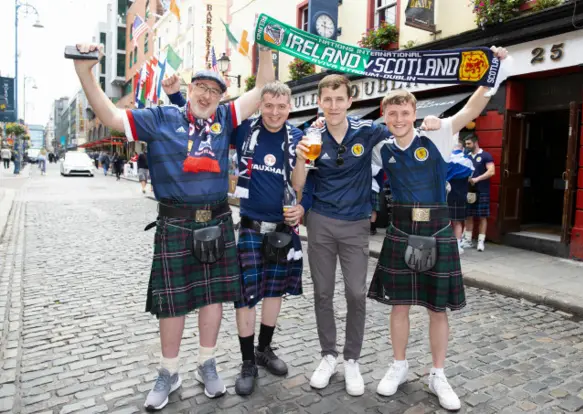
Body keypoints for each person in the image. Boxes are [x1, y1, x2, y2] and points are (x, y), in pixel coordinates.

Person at [70, 42, 275, 411]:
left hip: (216, 220)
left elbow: (262, 91)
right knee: (173, 304)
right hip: (176, 224)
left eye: (215, 91)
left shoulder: (226, 118)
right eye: (202, 87)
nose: (207, 95)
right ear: (191, 89)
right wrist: (84, 72)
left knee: (212, 299)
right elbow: (113, 117)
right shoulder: (161, 117)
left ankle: (207, 364)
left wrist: (265, 50)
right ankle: (168, 372)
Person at [365, 46, 508, 412]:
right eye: (392, 113)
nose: (398, 118)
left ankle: (437, 374)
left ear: (415, 113)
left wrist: (495, 68)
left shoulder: (440, 133)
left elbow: (472, 109)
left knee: (436, 308)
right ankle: (398, 365)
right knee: (398, 305)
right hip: (400, 228)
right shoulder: (380, 147)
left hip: (438, 229)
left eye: (405, 112)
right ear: (385, 115)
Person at [165, 78, 310, 396]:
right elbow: (200, 122)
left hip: (284, 231)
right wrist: (176, 96)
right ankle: (247, 362)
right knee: (246, 297)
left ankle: (264, 349)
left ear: (290, 108)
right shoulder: (244, 130)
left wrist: (302, 205)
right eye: (268, 105)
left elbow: (305, 185)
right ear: (260, 105)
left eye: (281, 107)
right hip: (249, 228)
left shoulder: (298, 138)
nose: (274, 112)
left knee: (274, 293)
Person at [292, 74, 434, 397]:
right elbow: (298, 184)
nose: (333, 105)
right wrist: (300, 158)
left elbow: (402, 132)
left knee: (356, 293)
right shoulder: (311, 134)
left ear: (349, 101)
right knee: (323, 293)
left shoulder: (367, 131)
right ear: (319, 102)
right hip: (321, 223)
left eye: (339, 99)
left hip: (356, 224)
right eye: (327, 99)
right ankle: (328, 356)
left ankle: (351, 359)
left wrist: (430, 126)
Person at [462, 134, 495, 252]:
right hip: (469, 191)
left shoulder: (486, 155)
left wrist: (477, 179)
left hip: (482, 190)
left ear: (475, 143)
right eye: (466, 144)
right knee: (468, 215)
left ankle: (481, 242)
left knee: (482, 216)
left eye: (469, 144)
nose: (467, 146)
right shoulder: (466, 156)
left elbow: (491, 171)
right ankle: (468, 240)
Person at [447, 139, 475, 253]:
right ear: (462, 148)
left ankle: (446, 243)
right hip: (460, 194)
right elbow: (470, 177)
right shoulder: (467, 161)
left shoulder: (446, 158)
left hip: (446, 193)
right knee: (458, 221)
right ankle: (457, 246)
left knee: (446, 221)